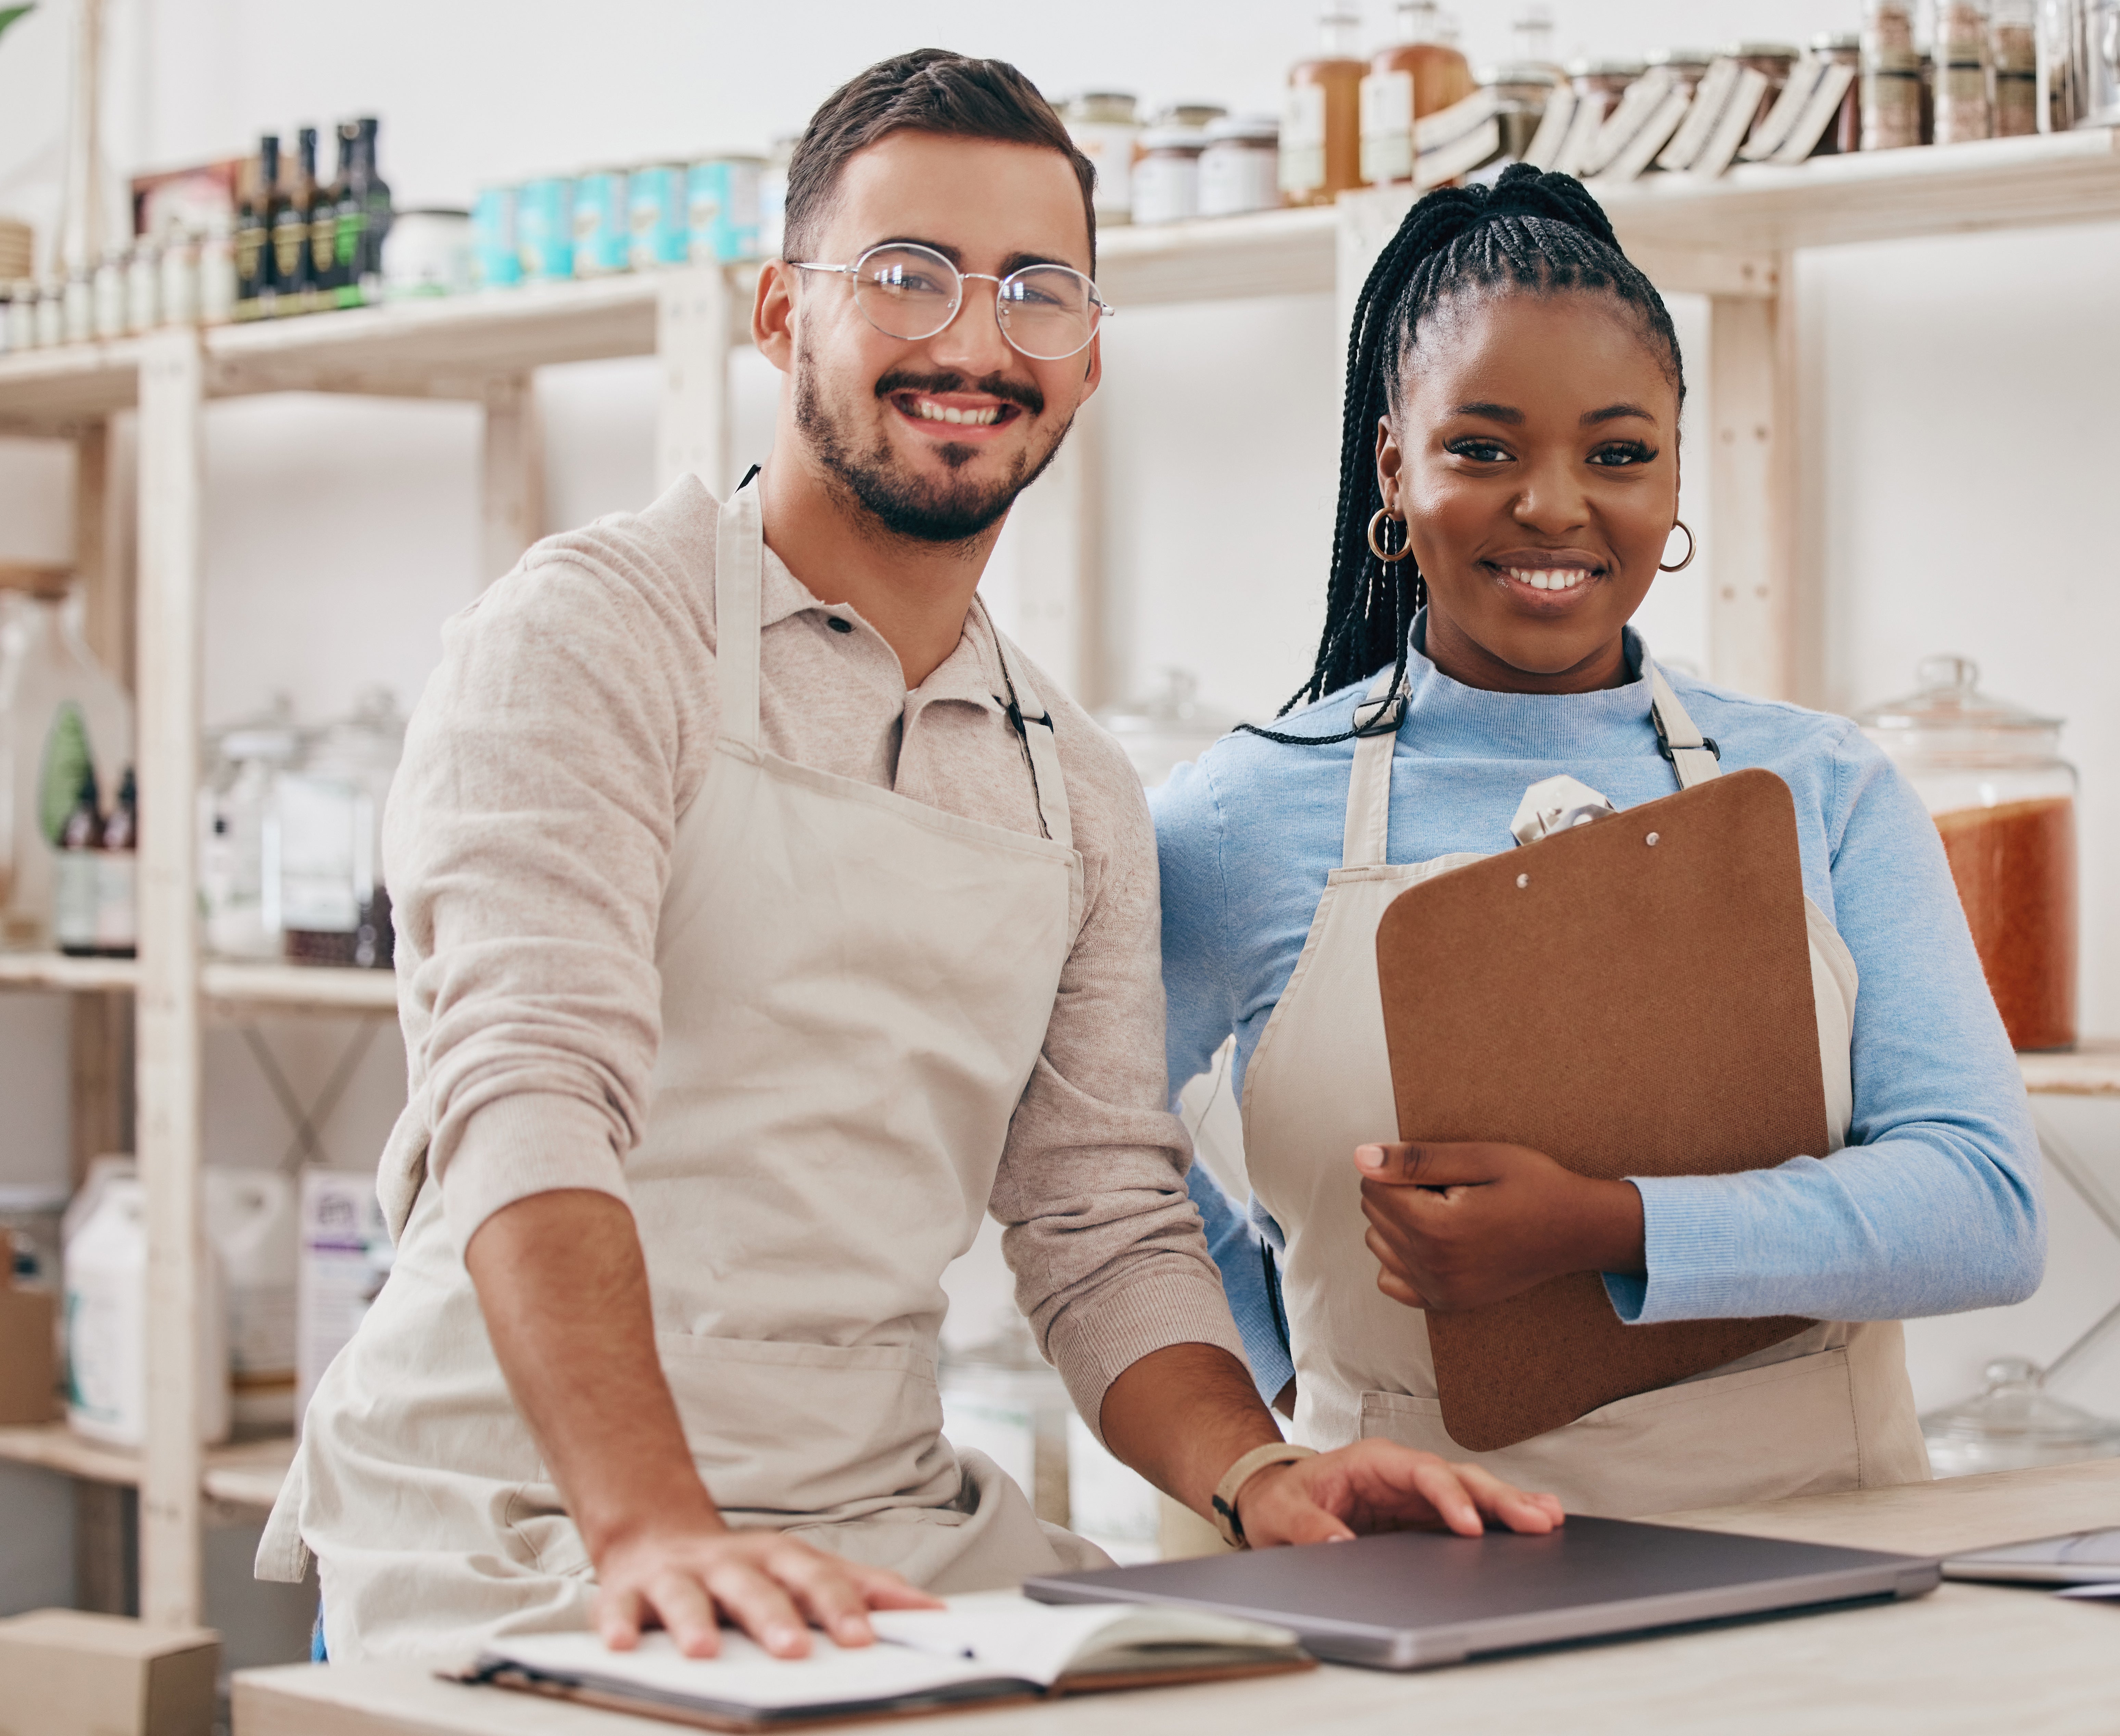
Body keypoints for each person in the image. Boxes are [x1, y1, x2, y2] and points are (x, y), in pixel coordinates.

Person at [256, 51, 1555, 1665]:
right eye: (906, 276)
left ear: (1086, 361)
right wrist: (656, 1521)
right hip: (527, 1514)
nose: (972, 340)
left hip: (881, 1519)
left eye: (1035, 290)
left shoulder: (1072, 786)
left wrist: (1255, 1468)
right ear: (778, 314)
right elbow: (527, 1092)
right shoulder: (592, 635)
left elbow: (1099, 1222)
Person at [1156, 167, 2046, 1517]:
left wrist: (1608, 1227)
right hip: (1415, 1575)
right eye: (1485, 448)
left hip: (1829, 1573)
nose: (1555, 506)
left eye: (1618, 453)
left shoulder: (1825, 783)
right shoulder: (1241, 814)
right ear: (1394, 466)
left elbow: (1985, 1206)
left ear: (1678, 467)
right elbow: (1093, 1167)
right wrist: (1269, 1386)